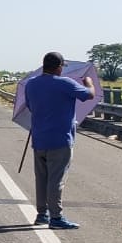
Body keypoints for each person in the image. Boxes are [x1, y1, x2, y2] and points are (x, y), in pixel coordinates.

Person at [24, 51, 94, 229]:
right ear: (59, 67)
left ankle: (42, 214)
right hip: (60, 139)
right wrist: (89, 83)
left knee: (41, 179)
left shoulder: (31, 84)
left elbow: (30, 107)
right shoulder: (65, 83)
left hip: (39, 139)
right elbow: (89, 95)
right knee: (56, 180)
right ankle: (56, 217)